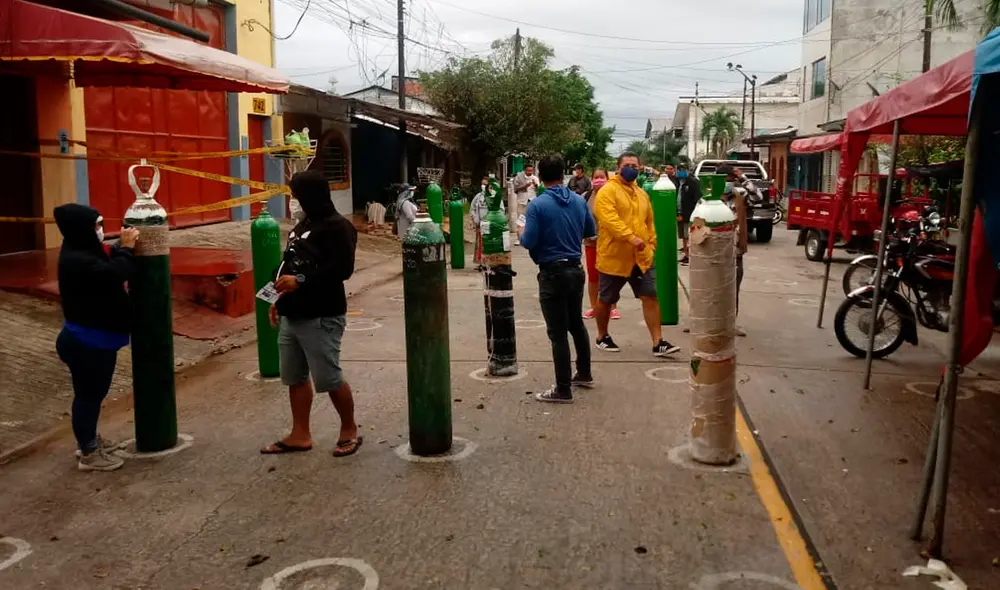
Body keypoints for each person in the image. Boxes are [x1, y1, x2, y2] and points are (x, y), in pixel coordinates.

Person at [262, 170, 362, 457]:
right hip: (292, 312)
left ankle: (349, 429)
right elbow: (288, 265)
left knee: (328, 376)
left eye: (297, 196)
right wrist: (276, 299)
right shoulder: (303, 224)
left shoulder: (337, 227)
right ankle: (300, 434)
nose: (294, 201)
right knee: (294, 376)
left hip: (321, 314)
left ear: (310, 195)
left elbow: (342, 270)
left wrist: (301, 281)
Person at [54, 204, 138, 471]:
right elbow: (115, 273)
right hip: (87, 342)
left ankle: (89, 438)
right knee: (88, 396)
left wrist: (118, 247)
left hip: (95, 338)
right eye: (96, 226)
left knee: (93, 393)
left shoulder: (83, 250)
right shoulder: (76, 260)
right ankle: (88, 451)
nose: (100, 231)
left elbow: (106, 256)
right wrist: (126, 250)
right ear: (83, 229)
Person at [520, 154, 596, 403]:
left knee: (557, 332)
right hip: (576, 271)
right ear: (563, 174)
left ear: (540, 176)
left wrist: (522, 233)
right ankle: (584, 373)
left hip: (552, 273)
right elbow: (590, 231)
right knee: (576, 323)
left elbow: (529, 241)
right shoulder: (578, 201)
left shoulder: (538, 205)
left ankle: (563, 389)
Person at [593, 152, 680, 357]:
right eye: (627, 164)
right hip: (614, 257)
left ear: (640, 168)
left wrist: (652, 244)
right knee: (606, 298)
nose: (631, 168)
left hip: (641, 258)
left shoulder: (641, 194)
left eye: (634, 165)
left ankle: (658, 342)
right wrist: (630, 238)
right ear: (618, 167)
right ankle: (601, 336)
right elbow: (609, 220)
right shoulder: (608, 191)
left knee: (650, 296)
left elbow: (649, 222)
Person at [582, 168, 620, 321]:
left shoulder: (614, 195)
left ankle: (613, 307)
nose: (598, 180)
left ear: (607, 178)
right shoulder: (586, 197)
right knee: (593, 276)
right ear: (591, 179)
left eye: (601, 177)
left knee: (611, 275)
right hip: (591, 243)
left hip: (610, 242)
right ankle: (593, 307)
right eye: (596, 177)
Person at [717, 163, 748, 337]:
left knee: (733, 288)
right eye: (724, 180)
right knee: (710, 287)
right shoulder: (709, 197)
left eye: (730, 179)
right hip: (713, 252)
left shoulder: (740, 194)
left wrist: (742, 177)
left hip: (735, 250)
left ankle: (730, 324)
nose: (727, 183)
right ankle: (703, 321)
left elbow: (759, 196)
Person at [470, 175, 504, 264]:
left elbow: (501, 210)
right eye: (482, 184)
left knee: (491, 243)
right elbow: (472, 208)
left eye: (485, 184)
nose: (483, 186)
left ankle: (491, 261)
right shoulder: (478, 196)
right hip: (480, 224)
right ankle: (481, 261)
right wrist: (475, 218)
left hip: (492, 224)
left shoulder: (495, 196)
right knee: (481, 244)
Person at [676, 162, 702, 266]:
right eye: (680, 169)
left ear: (687, 170)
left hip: (690, 214)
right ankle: (686, 255)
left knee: (689, 236)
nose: (681, 171)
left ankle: (691, 256)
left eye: (683, 169)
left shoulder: (693, 182)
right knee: (683, 236)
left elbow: (698, 198)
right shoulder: (678, 182)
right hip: (680, 213)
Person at [512, 164, 540, 239]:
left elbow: (538, 190)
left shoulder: (535, 178)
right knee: (520, 219)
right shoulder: (519, 177)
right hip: (522, 201)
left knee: (532, 219)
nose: (530, 172)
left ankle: (531, 237)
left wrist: (535, 185)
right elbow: (516, 189)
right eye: (528, 170)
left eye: (531, 170)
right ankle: (519, 238)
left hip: (532, 201)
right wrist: (526, 185)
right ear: (525, 170)